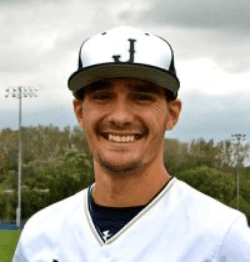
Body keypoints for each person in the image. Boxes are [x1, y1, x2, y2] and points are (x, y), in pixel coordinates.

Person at [13, 26, 249, 262]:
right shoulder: (39, 234)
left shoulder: (222, 237)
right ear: (79, 112)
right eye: (102, 96)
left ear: (172, 113)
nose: (120, 116)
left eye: (142, 97)